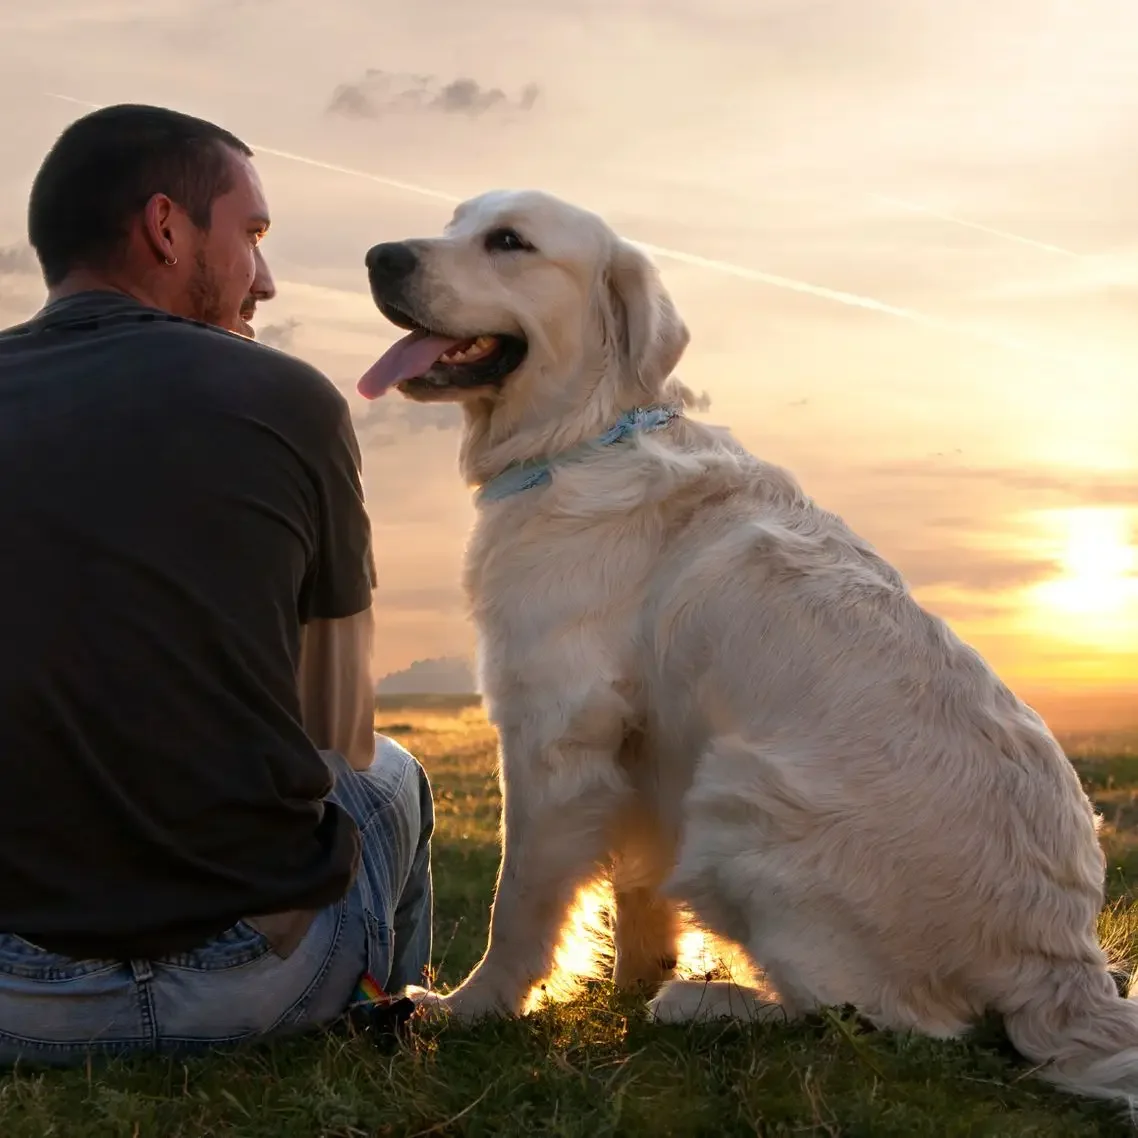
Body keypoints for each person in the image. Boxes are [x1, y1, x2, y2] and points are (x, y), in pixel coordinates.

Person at [0, 104, 434, 1066]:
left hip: (17, 1002)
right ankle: (385, 1015)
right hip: (254, 987)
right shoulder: (289, 399)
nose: (267, 279)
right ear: (166, 227)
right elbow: (339, 725)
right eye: (253, 235)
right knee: (390, 772)